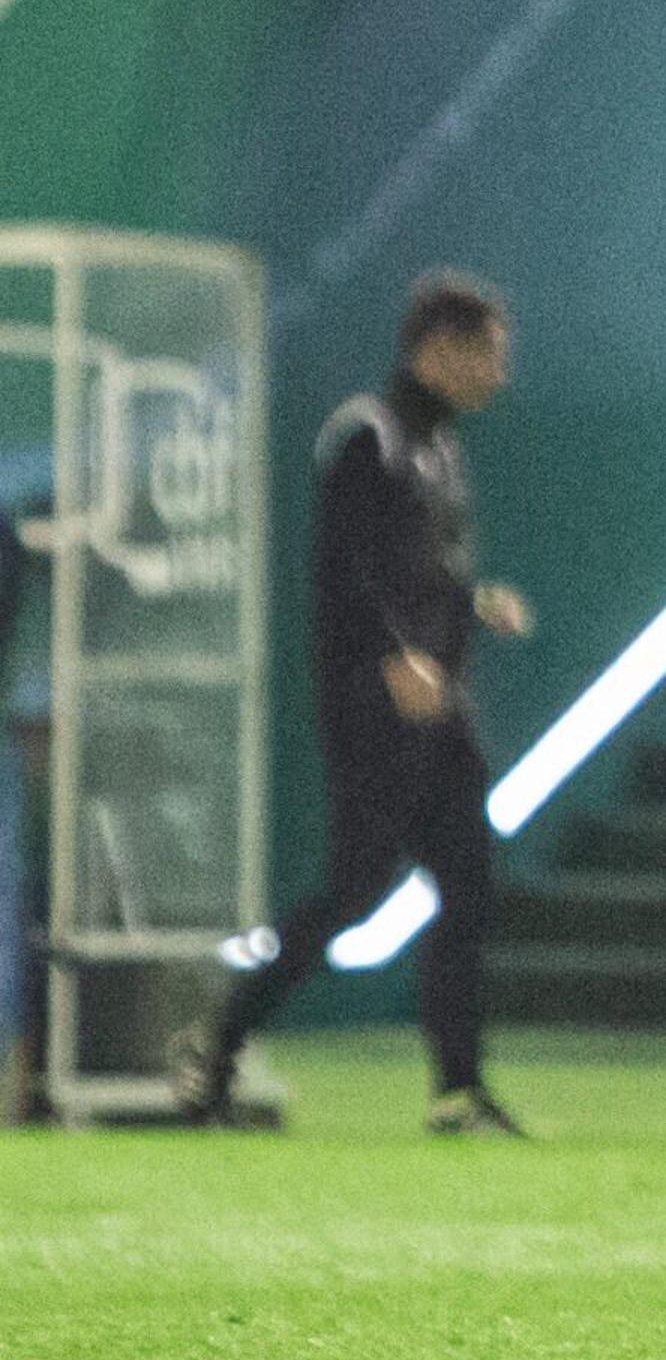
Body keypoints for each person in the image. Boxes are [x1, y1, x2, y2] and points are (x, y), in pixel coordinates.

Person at [173, 276, 534, 1136]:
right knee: (356, 889)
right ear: (441, 348)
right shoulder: (364, 435)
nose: (500, 374)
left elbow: (419, 571)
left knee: (468, 883)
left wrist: (473, 605)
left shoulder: (443, 447)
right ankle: (217, 1040)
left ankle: (457, 1090)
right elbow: (342, 568)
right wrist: (390, 655)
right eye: (489, 353)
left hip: (442, 707)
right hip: (374, 711)